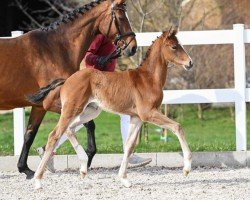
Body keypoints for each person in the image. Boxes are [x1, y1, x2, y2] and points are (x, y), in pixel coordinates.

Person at [37, 34, 152, 172]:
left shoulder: (113, 39)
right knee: (125, 113)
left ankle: (47, 150)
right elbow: (88, 56)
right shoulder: (101, 36)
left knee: (78, 121)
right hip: (97, 84)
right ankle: (129, 154)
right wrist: (101, 59)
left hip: (107, 83)